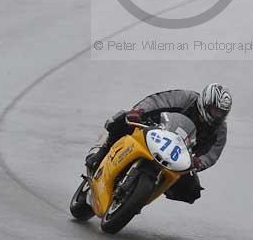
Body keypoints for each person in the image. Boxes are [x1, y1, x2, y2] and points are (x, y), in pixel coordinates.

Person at [85, 83, 232, 204]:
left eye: (221, 113)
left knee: (192, 191)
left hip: (179, 154)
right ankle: (102, 151)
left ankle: (146, 194)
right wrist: (139, 111)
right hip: (156, 130)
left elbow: (213, 153)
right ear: (205, 102)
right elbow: (158, 101)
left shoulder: (220, 130)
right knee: (122, 119)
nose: (217, 115)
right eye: (214, 110)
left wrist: (199, 162)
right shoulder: (187, 98)